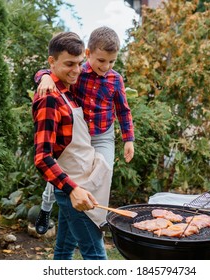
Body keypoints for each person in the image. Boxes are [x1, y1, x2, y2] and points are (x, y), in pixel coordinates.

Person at [34, 26, 135, 234]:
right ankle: (46, 208)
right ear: (88, 54)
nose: (105, 66)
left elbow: (123, 110)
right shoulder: (78, 72)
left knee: (104, 172)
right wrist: (44, 76)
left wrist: (128, 139)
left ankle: (96, 220)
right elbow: (53, 70)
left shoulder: (115, 79)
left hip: (102, 134)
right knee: (60, 172)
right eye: (101, 61)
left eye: (112, 61)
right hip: (78, 133)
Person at [32, 31, 113, 260]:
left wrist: (44, 75)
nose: (76, 70)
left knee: (64, 250)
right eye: (69, 64)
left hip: (83, 184)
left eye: (79, 63)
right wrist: (72, 189)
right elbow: (42, 157)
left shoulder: (68, 91)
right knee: (96, 255)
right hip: (73, 189)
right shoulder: (49, 98)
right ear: (52, 62)